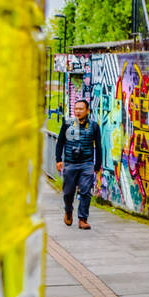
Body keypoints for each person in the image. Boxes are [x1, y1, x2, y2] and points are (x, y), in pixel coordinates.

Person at [55, 98, 102, 229]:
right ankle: (68, 210)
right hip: (70, 163)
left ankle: (83, 219)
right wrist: (58, 159)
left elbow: (98, 146)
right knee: (68, 192)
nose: (78, 111)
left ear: (87, 110)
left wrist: (97, 166)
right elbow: (60, 142)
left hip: (87, 164)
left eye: (81, 109)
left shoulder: (94, 126)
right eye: (76, 109)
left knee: (86, 192)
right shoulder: (67, 124)